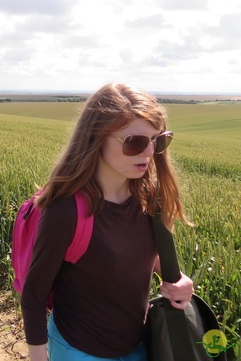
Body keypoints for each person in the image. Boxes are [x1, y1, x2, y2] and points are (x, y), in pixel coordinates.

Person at [21, 83, 194, 361]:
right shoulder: (65, 210)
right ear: (96, 138)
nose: (149, 153)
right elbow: (33, 295)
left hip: (140, 345)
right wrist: (39, 357)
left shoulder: (150, 199)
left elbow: (145, 255)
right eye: (135, 142)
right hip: (78, 349)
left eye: (157, 140)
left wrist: (180, 282)